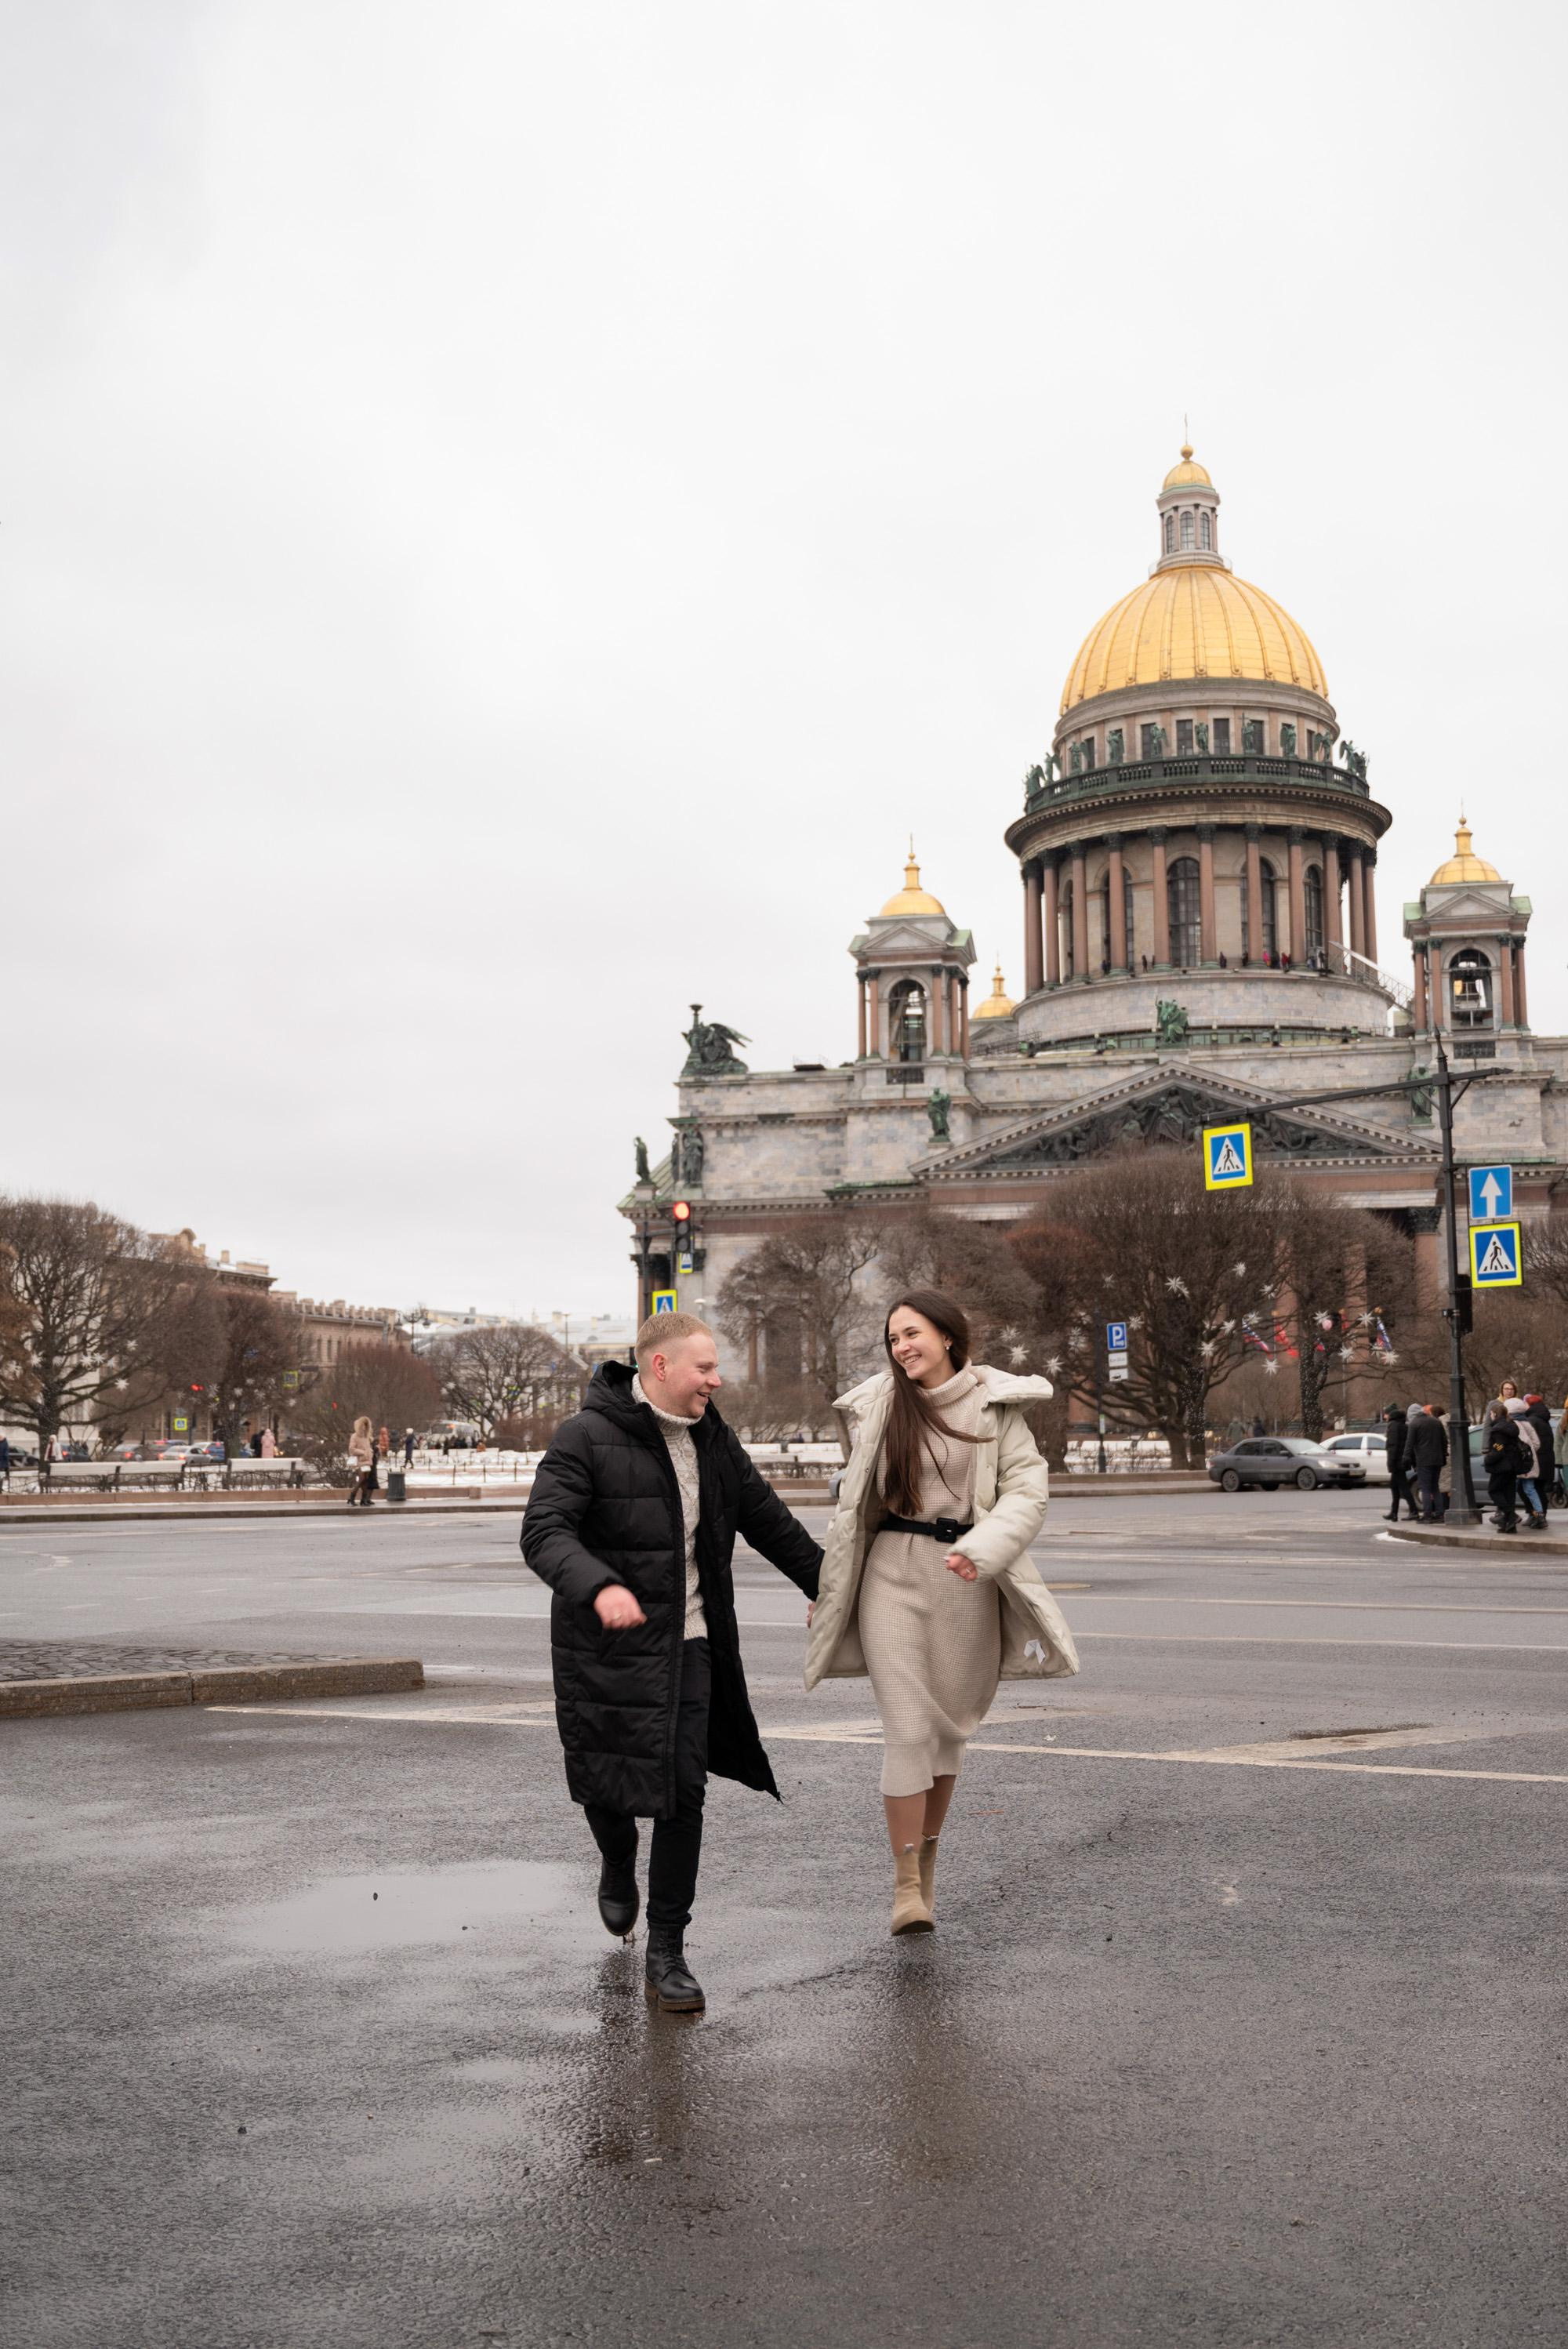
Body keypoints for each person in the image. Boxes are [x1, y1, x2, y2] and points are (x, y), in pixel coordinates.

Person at [521, 1312, 822, 2016]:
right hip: (606, 1648)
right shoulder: (585, 1437)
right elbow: (543, 1532)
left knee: (685, 1789)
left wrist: (829, 1588)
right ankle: (618, 1857)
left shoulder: (712, 1440)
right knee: (607, 1784)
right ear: (660, 1369)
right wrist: (599, 1585)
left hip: (690, 1641)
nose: (717, 1381)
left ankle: (668, 1952)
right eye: (705, 1369)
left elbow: (771, 1521)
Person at [805, 1289, 1078, 1937]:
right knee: (906, 1730)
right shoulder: (878, 1407)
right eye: (894, 1338)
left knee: (948, 1731)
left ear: (949, 1337)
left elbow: (1026, 1495)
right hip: (891, 1576)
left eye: (913, 1334)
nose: (902, 1347)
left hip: (966, 1579)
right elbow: (851, 1515)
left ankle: (927, 1863)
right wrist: (829, 1588)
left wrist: (981, 1551)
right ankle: (905, 1887)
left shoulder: (998, 1407)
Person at [1482, 1407, 1524, 1534]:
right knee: (1508, 1494)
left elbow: (1498, 1450)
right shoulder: (1511, 1427)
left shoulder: (1497, 1430)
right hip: (1512, 1465)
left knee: (1493, 1490)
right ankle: (1509, 1525)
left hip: (1502, 1466)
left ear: (1494, 1414)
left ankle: (1512, 1516)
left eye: (1491, 1413)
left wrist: (1487, 1459)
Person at [1407, 1403, 1447, 1524]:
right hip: (1437, 1460)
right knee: (1435, 1487)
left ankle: (1427, 1515)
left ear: (1412, 1415)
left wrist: (1406, 1458)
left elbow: (1409, 1444)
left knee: (1425, 1489)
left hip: (1424, 1461)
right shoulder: (1436, 1421)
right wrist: (1443, 1456)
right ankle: (1440, 1514)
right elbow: (1444, 1440)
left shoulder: (1414, 1424)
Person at [1510, 1399, 1545, 1530]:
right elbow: (1536, 1443)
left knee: (1511, 1489)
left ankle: (1508, 1513)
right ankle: (1540, 1515)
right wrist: (1531, 1454)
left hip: (1520, 1464)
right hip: (1530, 1462)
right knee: (1530, 1489)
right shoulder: (1527, 1422)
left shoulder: (1514, 1424)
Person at [1382, 1403, 1414, 1523]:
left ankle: (1414, 1510)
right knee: (1394, 1487)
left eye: (1386, 1414)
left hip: (1397, 1462)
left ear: (1390, 1414)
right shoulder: (1402, 1425)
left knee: (1403, 1487)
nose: (1385, 1417)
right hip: (1401, 1461)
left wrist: (1391, 1464)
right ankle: (1394, 1512)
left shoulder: (1393, 1426)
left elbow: (1393, 1446)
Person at [1524, 1394, 1555, 1518]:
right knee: (1539, 1489)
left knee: (1530, 1489)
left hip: (1537, 1460)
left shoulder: (1532, 1420)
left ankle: (1537, 1515)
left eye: (1525, 1404)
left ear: (1531, 1405)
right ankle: (1540, 1515)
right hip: (1546, 1459)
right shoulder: (1543, 1419)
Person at [347, 1414, 376, 1507]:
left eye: (366, 1425)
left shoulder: (366, 1436)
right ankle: (352, 1497)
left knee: (366, 1480)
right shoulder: (355, 1436)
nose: (365, 1427)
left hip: (367, 1461)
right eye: (363, 1425)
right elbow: (352, 1449)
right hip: (359, 1461)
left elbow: (369, 1447)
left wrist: (370, 1452)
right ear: (360, 1425)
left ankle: (364, 1500)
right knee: (362, 1479)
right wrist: (363, 1452)